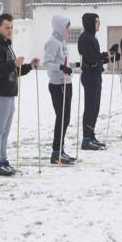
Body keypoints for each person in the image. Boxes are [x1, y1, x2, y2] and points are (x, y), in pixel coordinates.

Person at [0, 14, 39, 176]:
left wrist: (29, 66)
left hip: (10, 92)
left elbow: (15, 71)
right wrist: (13, 63)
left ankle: (3, 159)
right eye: (6, 27)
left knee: (6, 130)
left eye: (11, 28)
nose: (9, 30)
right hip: (0, 91)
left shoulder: (7, 46)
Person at [42, 16, 79, 164]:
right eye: (67, 27)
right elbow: (47, 63)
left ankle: (61, 150)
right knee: (62, 118)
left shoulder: (62, 42)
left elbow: (64, 62)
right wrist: (61, 68)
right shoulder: (52, 42)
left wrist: (74, 65)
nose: (69, 30)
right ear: (59, 27)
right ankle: (56, 152)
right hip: (58, 84)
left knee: (66, 118)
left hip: (67, 82)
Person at [77, 13, 115, 150]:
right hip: (89, 75)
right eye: (97, 21)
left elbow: (96, 59)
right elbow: (91, 58)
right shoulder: (85, 38)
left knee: (95, 107)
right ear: (90, 23)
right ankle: (86, 139)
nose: (99, 23)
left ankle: (91, 135)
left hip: (96, 74)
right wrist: (105, 56)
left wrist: (109, 57)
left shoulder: (92, 37)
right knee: (90, 107)